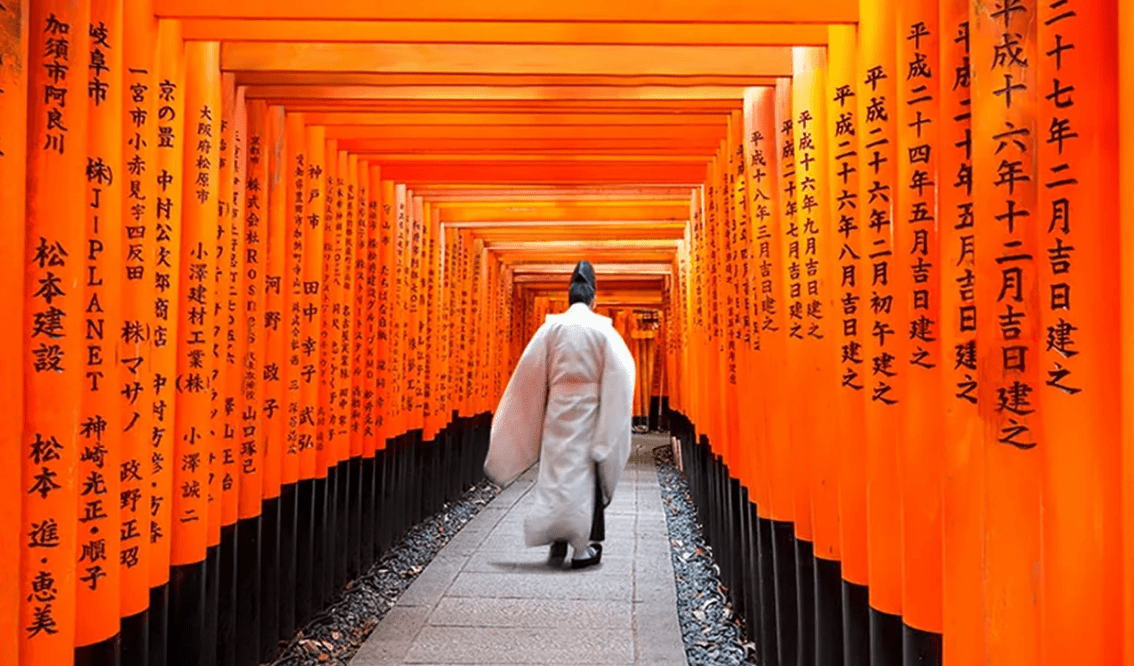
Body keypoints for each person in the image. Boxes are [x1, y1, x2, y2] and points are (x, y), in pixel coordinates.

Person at [483, 260, 636, 569]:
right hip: (591, 411)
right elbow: (622, 373)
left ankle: (557, 542)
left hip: (557, 410)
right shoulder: (603, 331)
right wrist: (609, 422)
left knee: (555, 475)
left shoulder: (550, 328)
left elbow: (528, 372)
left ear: (569, 297)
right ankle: (580, 550)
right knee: (584, 477)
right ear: (594, 299)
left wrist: (532, 411)